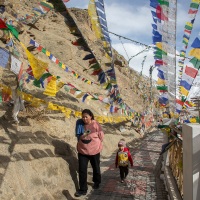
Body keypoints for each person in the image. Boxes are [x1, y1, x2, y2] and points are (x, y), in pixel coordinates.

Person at [74, 109, 104, 197]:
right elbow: (78, 135)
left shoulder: (95, 124)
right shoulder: (79, 123)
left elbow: (101, 136)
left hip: (94, 151)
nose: (84, 118)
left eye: (86, 116)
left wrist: (95, 144)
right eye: (83, 117)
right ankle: (83, 189)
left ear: (91, 116)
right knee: (82, 170)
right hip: (82, 151)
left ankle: (97, 182)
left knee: (96, 167)